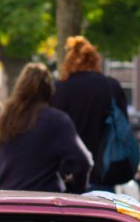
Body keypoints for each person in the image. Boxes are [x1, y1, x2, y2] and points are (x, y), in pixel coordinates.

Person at [0, 63, 92, 193]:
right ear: (49, 90)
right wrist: (75, 188)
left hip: (7, 200)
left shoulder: (5, 119)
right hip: (44, 204)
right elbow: (83, 161)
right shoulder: (56, 119)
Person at [50, 35, 131, 191]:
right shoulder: (111, 86)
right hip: (105, 170)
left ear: (69, 61)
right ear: (95, 60)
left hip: (67, 173)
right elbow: (123, 126)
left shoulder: (59, 89)